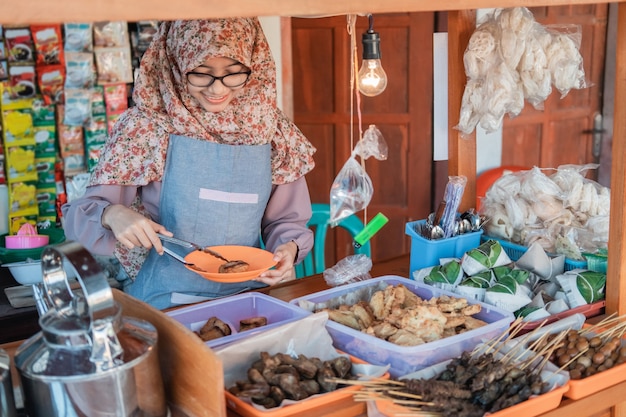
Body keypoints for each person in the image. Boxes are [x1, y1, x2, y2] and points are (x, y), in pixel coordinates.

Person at [62, 18, 316, 310]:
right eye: (201, 73)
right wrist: (112, 214)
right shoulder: (148, 128)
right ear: (175, 63)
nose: (216, 89)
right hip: (167, 302)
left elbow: (286, 221)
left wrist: (288, 248)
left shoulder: (271, 131)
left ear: (254, 64)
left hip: (252, 298)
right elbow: (78, 218)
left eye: (233, 73)